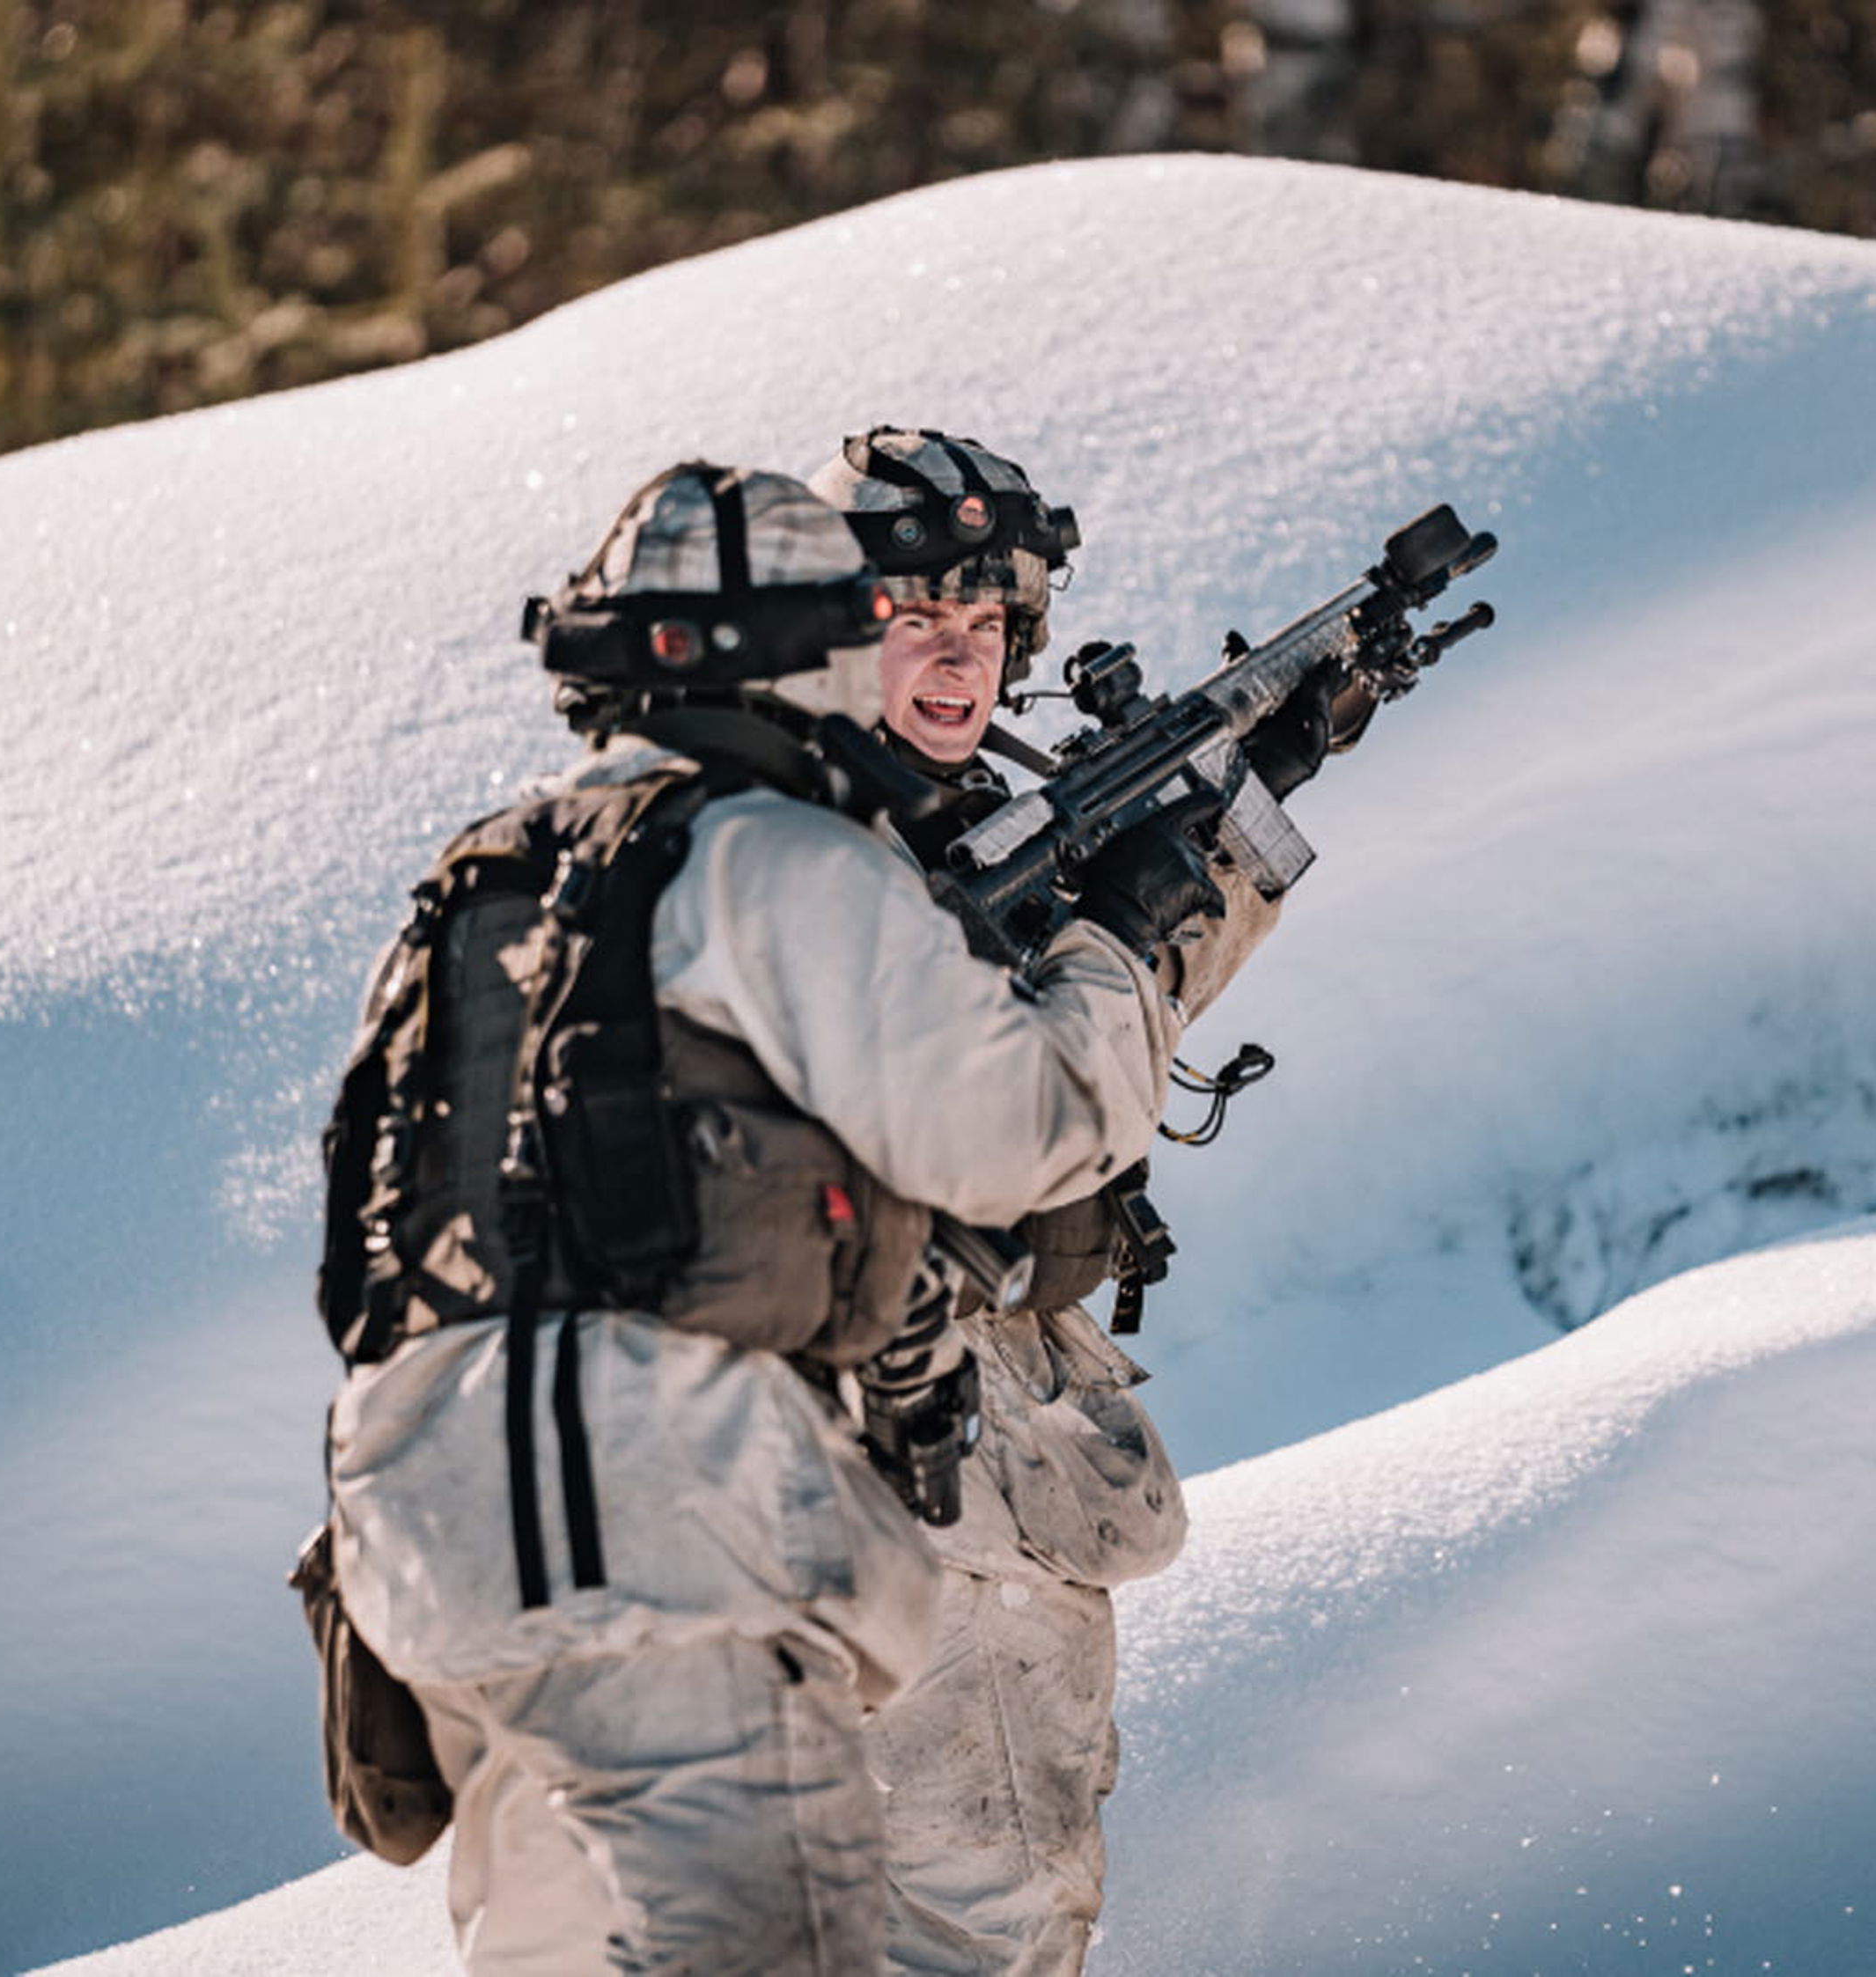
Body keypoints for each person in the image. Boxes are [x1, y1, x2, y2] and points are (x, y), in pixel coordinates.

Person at [312, 461, 1231, 1975]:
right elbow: (1030, 1130)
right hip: (665, 1535)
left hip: (430, 1553)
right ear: (815, 646)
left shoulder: (475, 885)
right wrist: (1126, 942)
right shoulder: (776, 851)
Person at [806, 428, 1323, 1975]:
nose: (959, 665)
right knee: (984, 1924)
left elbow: (1110, 1031)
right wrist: (1117, 920)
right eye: (917, 624)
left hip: (931, 1471)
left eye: (987, 631)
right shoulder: (820, 863)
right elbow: (1029, 1110)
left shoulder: (892, 822)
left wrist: (1232, 828)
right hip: (919, 1483)